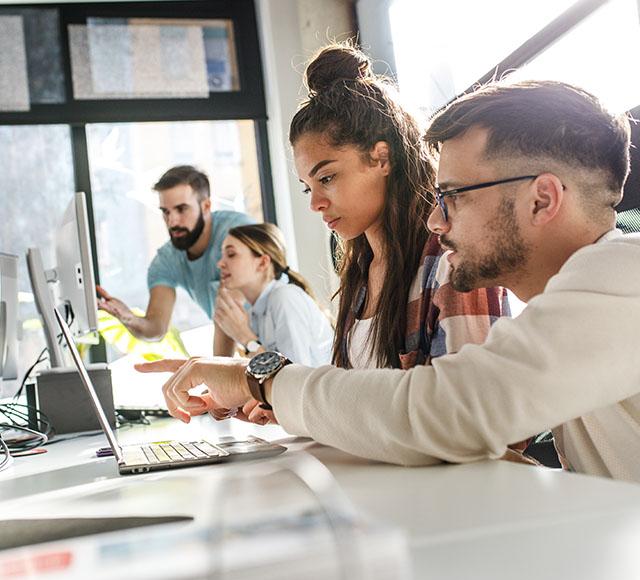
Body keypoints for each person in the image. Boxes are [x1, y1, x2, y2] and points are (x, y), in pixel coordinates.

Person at [138, 79, 640, 482]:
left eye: (454, 196)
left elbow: (447, 411)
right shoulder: (578, 302)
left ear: (543, 199)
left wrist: (261, 379)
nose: (436, 221)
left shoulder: (622, 276)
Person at [97, 165, 253, 341]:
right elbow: (156, 329)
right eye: (165, 212)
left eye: (181, 209)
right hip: (250, 351)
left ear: (206, 206)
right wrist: (128, 317)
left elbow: (229, 313)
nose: (172, 221)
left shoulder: (239, 233)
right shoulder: (167, 260)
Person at [213, 223, 333, 366]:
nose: (220, 263)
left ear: (263, 263)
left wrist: (246, 339)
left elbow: (295, 378)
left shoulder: (285, 298)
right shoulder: (254, 313)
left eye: (231, 254)